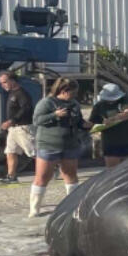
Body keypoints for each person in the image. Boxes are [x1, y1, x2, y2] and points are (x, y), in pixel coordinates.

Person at [29, 77, 90, 217]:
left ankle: (73, 205)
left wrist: (87, 125)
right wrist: (54, 115)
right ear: (62, 90)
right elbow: (37, 120)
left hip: (70, 144)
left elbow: (79, 121)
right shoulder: (47, 102)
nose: (74, 95)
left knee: (70, 174)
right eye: (72, 92)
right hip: (48, 144)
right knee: (43, 176)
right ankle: (35, 208)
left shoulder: (74, 104)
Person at [89, 82, 128, 167]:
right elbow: (92, 122)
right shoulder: (99, 106)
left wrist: (113, 119)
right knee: (112, 172)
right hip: (111, 143)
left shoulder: (125, 100)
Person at [0, 70, 35, 184]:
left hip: (23, 128)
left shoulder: (21, 93)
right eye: (1, 83)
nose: (2, 85)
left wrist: (12, 120)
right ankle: (11, 176)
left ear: (13, 81)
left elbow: (26, 109)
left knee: (33, 152)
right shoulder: (12, 94)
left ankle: (55, 166)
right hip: (13, 129)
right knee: (10, 151)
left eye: (4, 82)